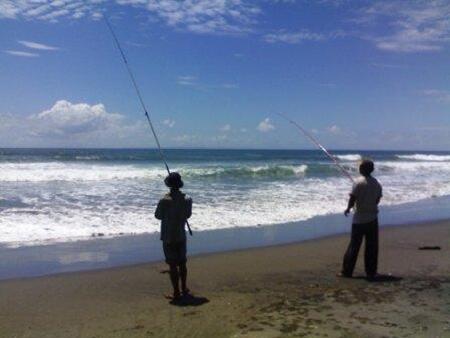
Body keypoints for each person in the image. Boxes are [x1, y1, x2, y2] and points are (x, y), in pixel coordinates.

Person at [339, 159, 382, 280]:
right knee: (372, 247)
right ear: (372, 170)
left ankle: (347, 272)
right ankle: (371, 272)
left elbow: (352, 198)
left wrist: (348, 208)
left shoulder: (358, 183)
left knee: (354, 245)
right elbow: (377, 200)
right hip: (373, 218)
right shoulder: (377, 183)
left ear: (361, 169)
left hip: (359, 220)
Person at [155, 172, 192, 300]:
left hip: (168, 236)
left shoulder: (164, 200)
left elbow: (158, 216)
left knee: (172, 264)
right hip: (181, 234)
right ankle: (184, 288)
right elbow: (188, 215)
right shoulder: (187, 199)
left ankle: (176, 293)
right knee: (182, 263)